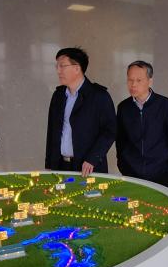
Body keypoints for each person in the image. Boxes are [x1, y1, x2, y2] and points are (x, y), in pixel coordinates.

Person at [45, 47, 116, 176]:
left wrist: (92, 159)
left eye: (62, 66)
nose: (58, 71)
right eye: (57, 66)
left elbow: (110, 131)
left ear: (77, 68)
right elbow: (52, 131)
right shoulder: (58, 95)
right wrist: (49, 164)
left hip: (88, 168)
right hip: (60, 165)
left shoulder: (99, 96)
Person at [115, 61, 168, 188]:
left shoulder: (166, 105)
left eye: (139, 80)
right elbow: (120, 140)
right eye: (130, 80)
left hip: (161, 173)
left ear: (150, 81)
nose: (133, 84)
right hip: (131, 172)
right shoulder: (124, 107)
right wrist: (123, 165)